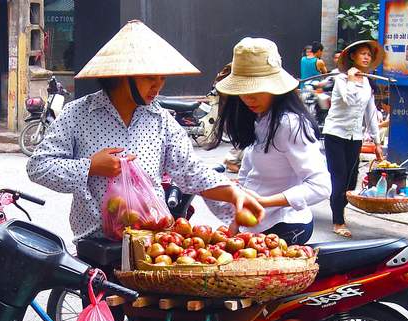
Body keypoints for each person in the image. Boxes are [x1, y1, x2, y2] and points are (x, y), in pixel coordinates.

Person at [26, 20, 264, 242]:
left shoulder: (161, 119)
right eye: (150, 77)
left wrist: (233, 193)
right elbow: (38, 167)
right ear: (123, 76)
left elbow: (190, 170)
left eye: (162, 78)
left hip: (152, 242)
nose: (158, 86)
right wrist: (90, 167)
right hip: (96, 244)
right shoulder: (77, 114)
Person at [209, 38, 331, 245]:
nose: (248, 98)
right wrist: (237, 221)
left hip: (284, 225)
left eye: (256, 89)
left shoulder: (289, 124)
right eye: (243, 90)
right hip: (255, 226)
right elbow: (249, 175)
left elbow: (320, 186)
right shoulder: (260, 118)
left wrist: (265, 202)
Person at [323, 40, 384, 238]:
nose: (367, 57)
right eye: (363, 54)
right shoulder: (341, 79)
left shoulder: (367, 82)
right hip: (335, 134)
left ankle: (339, 206)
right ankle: (338, 221)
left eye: (369, 55)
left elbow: (370, 112)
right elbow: (350, 100)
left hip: (355, 136)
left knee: (351, 182)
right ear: (352, 56)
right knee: (339, 178)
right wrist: (350, 80)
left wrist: (377, 142)